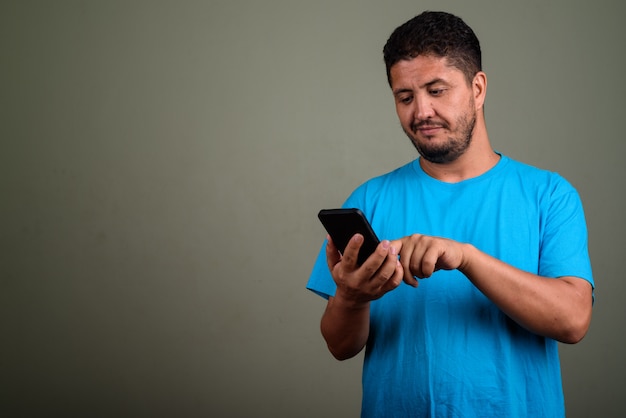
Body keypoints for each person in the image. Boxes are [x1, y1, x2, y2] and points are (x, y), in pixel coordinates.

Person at [306, 11, 594, 417]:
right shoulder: (369, 199)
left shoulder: (549, 195)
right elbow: (339, 347)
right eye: (404, 97)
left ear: (477, 88)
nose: (420, 111)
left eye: (436, 91)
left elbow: (573, 320)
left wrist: (466, 258)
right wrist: (351, 298)